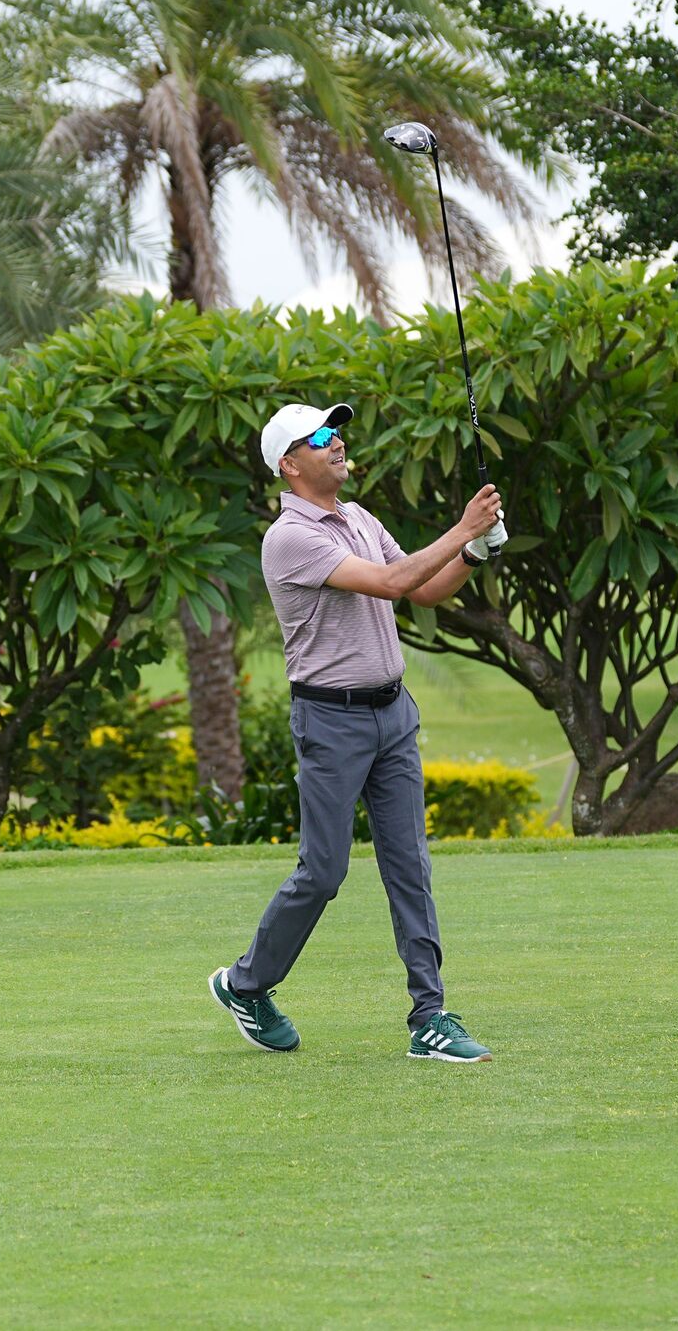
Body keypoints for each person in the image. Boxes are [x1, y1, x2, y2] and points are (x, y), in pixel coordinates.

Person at [209, 401, 506, 1063]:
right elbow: (393, 582)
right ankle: (246, 982)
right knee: (324, 871)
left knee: (410, 865)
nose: (336, 440)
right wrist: (463, 525)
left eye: (336, 430)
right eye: (319, 436)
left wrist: (474, 551)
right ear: (289, 464)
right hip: (331, 720)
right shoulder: (290, 537)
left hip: (392, 714)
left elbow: (425, 590)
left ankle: (430, 1016)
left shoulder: (361, 518)